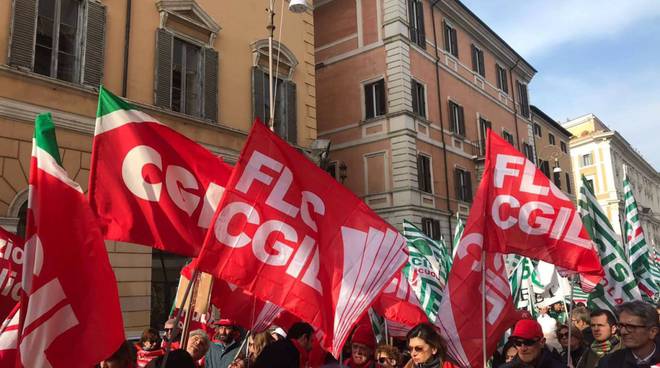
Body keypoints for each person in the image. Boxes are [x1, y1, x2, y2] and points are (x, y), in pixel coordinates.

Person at [597, 301, 659, 368]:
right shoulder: (608, 362)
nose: (623, 332)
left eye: (631, 327)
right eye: (621, 325)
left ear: (652, 331)